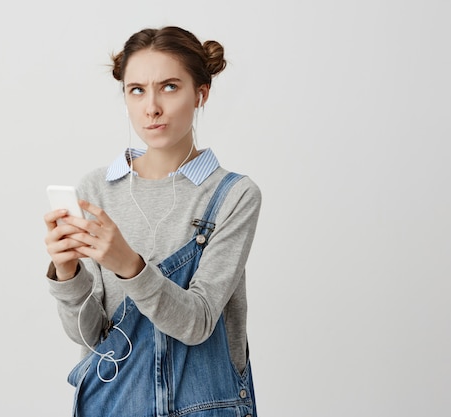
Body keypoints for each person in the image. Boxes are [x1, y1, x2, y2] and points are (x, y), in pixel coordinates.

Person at [43, 26, 261, 417]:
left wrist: (128, 264)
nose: (152, 107)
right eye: (137, 89)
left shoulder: (233, 195)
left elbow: (197, 323)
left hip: (206, 406)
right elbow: (89, 337)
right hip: (111, 404)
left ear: (201, 94)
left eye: (170, 87)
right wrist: (67, 272)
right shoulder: (97, 189)